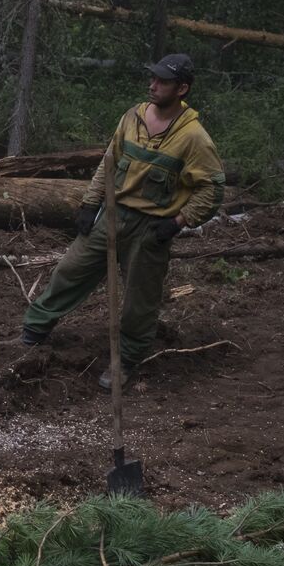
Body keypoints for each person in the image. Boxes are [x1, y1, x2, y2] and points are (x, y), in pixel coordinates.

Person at [21, 54, 225, 389]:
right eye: (153, 78)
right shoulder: (133, 117)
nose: (153, 85)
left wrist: (179, 221)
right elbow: (109, 160)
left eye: (162, 81)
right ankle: (32, 333)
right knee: (70, 270)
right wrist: (90, 203)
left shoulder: (194, 138)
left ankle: (127, 360)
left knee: (139, 301)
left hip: (151, 229)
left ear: (182, 88)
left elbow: (212, 189)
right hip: (113, 217)